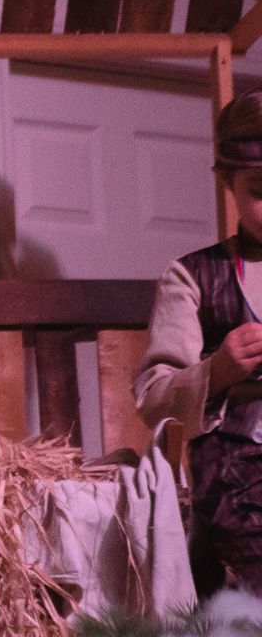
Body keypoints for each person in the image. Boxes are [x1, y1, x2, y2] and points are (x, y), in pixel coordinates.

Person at [134, 87, 262, 596]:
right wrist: (220, 370)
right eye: (259, 188)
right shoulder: (193, 277)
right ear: (226, 182)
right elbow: (153, 395)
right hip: (242, 469)